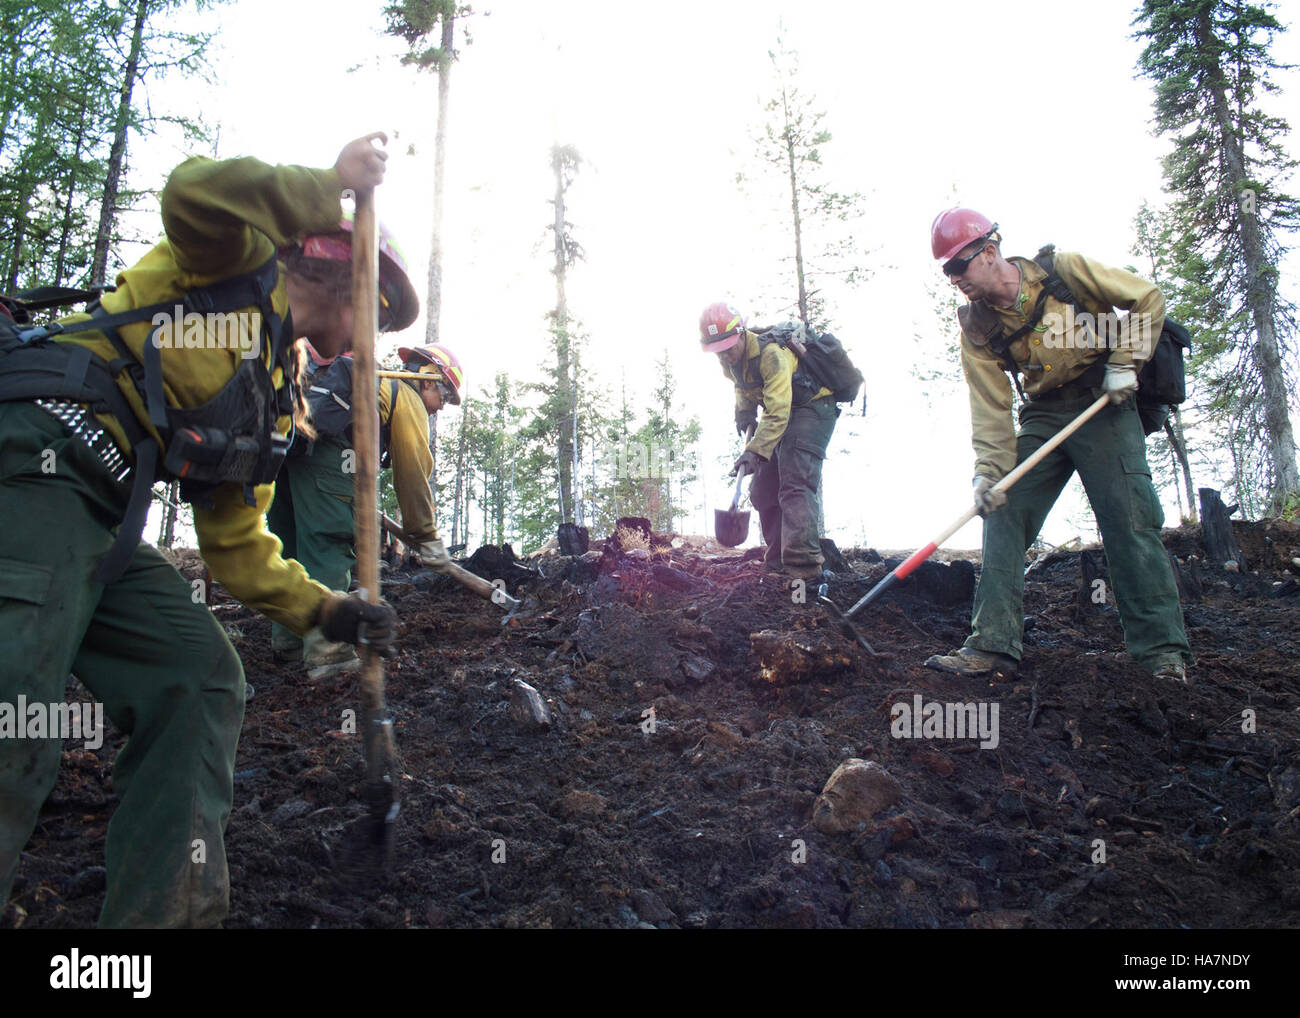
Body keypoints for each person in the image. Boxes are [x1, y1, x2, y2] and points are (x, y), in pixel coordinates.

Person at [0, 134, 398, 928]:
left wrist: (327, 610)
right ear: (340, 273)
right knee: (16, 718)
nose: (373, 338)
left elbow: (235, 544)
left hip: (102, 518)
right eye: (377, 310)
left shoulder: (274, 395)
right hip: (33, 460)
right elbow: (190, 189)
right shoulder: (231, 262)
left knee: (199, 675)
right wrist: (329, 184)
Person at [922, 208, 1193, 684]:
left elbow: (1147, 297)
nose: (954, 278)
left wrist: (1125, 362)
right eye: (946, 271)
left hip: (1103, 402)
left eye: (958, 265)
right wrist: (988, 472)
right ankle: (992, 645)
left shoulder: (1063, 272)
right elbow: (990, 408)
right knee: (1003, 506)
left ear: (989, 252)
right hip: (1044, 415)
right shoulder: (978, 328)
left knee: (1129, 519)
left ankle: (1161, 655)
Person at [267, 261, 464, 676]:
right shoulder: (404, 393)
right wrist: (426, 537)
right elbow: (413, 472)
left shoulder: (363, 378)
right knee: (328, 543)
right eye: (444, 398)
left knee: (292, 542)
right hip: (327, 455)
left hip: (289, 447)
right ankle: (329, 653)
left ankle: (290, 637)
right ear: (429, 379)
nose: (440, 408)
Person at [699, 301, 838, 580]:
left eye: (728, 348)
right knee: (763, 489)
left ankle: (803, 570)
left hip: (812, 407)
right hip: (781, 411)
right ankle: (777, 563)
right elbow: (742, 387)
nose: (724, 356)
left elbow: (777, 413)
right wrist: (745, 414)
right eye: (718, 351)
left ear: (741, 334)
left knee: (795, 481)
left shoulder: (772, 354)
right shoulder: (730, 361)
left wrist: (755, 452)